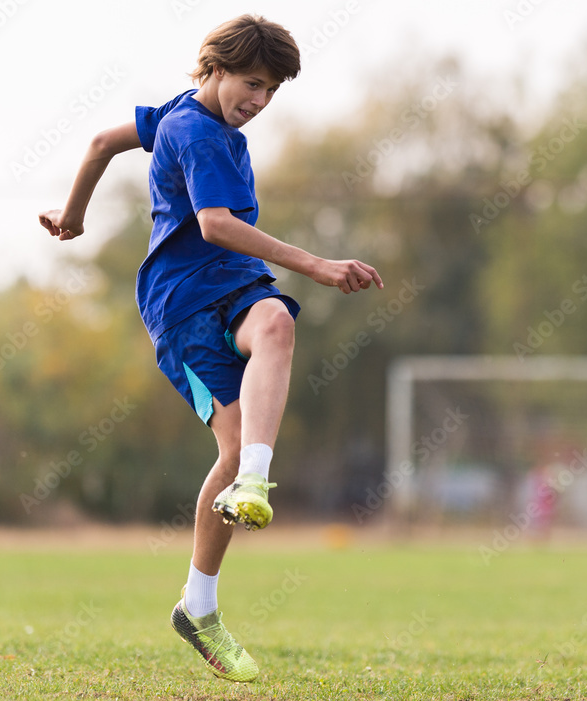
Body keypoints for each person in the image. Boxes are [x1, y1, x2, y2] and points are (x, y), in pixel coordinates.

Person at [39, 15, 382, 682]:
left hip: (236, 285)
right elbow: (216, 224)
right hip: (183, 308)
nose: (259, 100)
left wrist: (75, 212)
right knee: (228, 444)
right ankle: (201, 599)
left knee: (277, 325)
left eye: (273, 89)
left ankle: (252, 483)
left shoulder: (178, 110)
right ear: (215, 68)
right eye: (252, 82)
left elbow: (102, 140)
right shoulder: (197, 133)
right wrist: (315, 264)